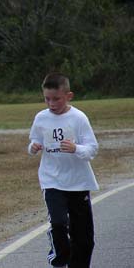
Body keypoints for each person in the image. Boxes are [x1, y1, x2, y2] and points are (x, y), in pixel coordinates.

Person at [28, 72, 99, 268]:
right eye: (47, 99)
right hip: (52, 181)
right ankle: (59, 257)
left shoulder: (78, 118)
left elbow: (92, 148)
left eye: (56, 99)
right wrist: (33, 147)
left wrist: (76, 148)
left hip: (78, 182)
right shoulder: (41, 118)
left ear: (68, 96)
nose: (51, 103)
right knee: (58, 223)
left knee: (83, 237)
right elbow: (34, 140)